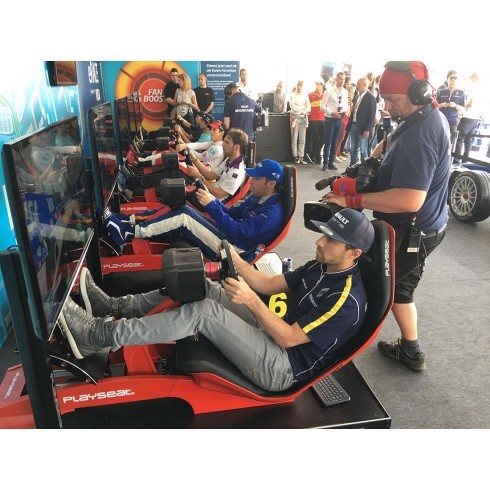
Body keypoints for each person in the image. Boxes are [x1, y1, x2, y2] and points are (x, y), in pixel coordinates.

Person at [59, 207, 374, 393]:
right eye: (323, 234)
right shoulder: (320, 266)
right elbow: (266, 285)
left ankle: (99, 335)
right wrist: (234, 258)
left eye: (331, 239)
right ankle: (115, 307)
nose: (319, 242)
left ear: (354, 253)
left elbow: (289, 339)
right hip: (271, 335)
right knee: (203, 286)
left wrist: (250, 301)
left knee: (204, 313)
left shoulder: (346, 301)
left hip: (282, 367)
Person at [323, 61, 451, 372]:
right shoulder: (420, 116)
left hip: (411, 231)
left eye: (393, 100)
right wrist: (368, 163)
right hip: (426, 228)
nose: (388, 107)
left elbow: (409, 199)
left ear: (419, 93)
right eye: (385, 99)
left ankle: (335, 347)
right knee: (400, 289)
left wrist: (353, 198)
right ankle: (411, 351)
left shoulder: (423, 133)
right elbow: (391, 140)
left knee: (369, 285)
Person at [102, 159, 283, 262]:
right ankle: (128, 220)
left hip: (233, 250)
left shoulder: (272, 213)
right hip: (229, 236)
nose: (251, 182)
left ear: (271, 184)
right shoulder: (258, 197)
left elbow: (238, 232)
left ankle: (128, 233)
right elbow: (233, 213)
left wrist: (212, 205)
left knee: (183, 216)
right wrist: (213, 201)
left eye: (256, 179)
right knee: (181, 206)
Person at [320, 72, 349, 171]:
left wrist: (346, 111)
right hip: (330, 119)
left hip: (340, 119)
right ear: (336, 79)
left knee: (335, 142)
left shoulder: (345, 92)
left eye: (343, 79)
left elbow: (345, 105)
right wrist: (332, 113)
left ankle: (331, 162)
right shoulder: (329, 91)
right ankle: (325, 163)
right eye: (340, 79)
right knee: (328, 142)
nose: (342, 81)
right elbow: (322, 106)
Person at [454, 72, 483, 166]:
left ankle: (456, 160)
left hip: (468, 117)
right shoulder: (480, 89)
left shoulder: (472, 88)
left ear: (472, 78)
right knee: (468, 140)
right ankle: (465, 160)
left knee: (459, 138)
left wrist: (462, 105)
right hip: (476, 118)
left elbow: (470, 104)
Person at [348, 77, 377, 166]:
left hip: (363, 128)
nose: (356, 86)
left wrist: (367, 129)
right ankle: (352, 167)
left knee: (363, 150)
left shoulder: (370, 98)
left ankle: (364, 169)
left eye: (358, 84)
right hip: (354, 125)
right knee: (353, 149)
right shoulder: (357, 96)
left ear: (364, 85)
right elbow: (354, 111)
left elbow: (371, 115)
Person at [436, 72, 466, 147]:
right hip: (440, 121)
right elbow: (435, 107)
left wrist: (455, 105)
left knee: (450, 144)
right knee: (437, 141)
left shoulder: (461, 93)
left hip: (453, 122)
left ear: (457, 83)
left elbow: (463, 109)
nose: (452, 85)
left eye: (454, 84)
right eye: (450, 83)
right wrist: (442, 105)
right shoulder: (441, 92)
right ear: (448, 82)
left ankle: (449, 154)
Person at [289, 80, 311, 165]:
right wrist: (302, 108)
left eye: (301, 85)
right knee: (294, 138)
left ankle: (301, 156)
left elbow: (309, 107)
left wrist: (303, 111)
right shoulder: (292, 95)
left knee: (302, 139)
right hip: (295, 119)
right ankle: (295, 156)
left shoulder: (305, 95)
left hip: (303, 119)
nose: (299, 87)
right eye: (298, 85)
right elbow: (293, 107)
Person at [305, 80, 325, 165]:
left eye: (319, 84)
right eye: (317, 84)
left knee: (324, 138)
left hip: (323, 119)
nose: (318, 86)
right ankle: (316, 155)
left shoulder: (324, 95)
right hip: (313, 119)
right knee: (315, 138)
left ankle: (315, 152)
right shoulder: (310, 95)